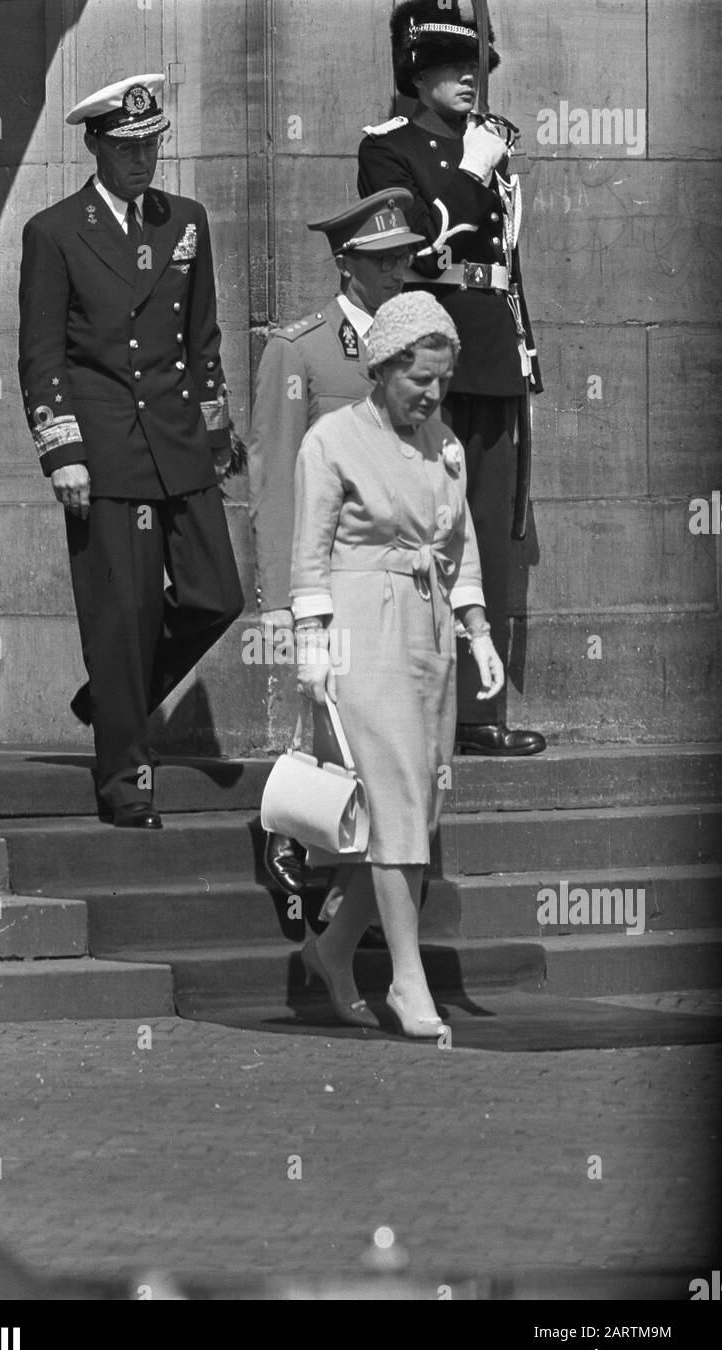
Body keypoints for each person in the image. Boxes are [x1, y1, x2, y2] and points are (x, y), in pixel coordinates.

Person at [18, 74, 243, 828]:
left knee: (217, 595)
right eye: (126, 147)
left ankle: (110, 698)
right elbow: (42, 355)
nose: (142, 159)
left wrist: (216, 434)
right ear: (95, 146)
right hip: (105, 445)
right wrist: (63, 452)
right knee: (124, 613)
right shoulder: (54, 232)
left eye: (150, 144)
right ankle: (125, 781)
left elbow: (201, 339)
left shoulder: (185, 221)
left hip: (178, 438)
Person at [290, 293, 504, 1037]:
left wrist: (476, 629)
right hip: (359, 628)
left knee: (410, 808)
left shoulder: (440, 441)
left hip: (427, 630)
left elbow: (460, 541)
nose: (433, 394)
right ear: (382, 369)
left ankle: (332, 947)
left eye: (442, 381)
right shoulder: (331, 439)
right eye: (420, 379)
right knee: (395, 798)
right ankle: (407, 984)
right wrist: (312, 648)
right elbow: (308, 552)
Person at [357, 0, 546, 757]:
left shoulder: (488, 147)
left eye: (477, 68)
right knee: (417, 530)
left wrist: (523, 345)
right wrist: (470, 173)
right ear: (419, 71)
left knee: (485, 539)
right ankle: (408, 703)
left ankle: (477, 712)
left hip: (491, 347)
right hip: (426, 349)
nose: (470, 79)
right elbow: (414, 241)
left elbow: (503, 261)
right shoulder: (389, 149)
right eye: (453, 68)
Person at [248, 189, 425, 891]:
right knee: (328, 719)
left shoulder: (413, 347)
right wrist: (284, 595)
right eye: (381, 260)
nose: (395, 272)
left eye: (403, 258)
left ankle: (364, 869)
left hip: (396, 579)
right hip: (329, 578)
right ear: (345, 263)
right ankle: (296, 835)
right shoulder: (300, 353)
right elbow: (275, 481)